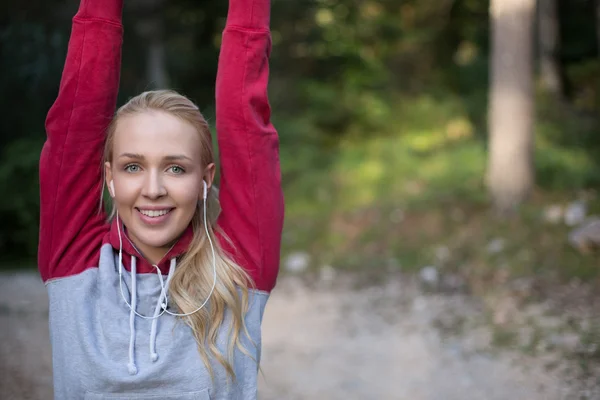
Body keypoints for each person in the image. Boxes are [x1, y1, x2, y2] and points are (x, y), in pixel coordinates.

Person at [38, 0, 284, 397]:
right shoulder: (74, 261)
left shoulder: (239, 267)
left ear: (205, 179)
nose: (153, 189)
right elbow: (76, 116)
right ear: (109, 178)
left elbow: (247, 121)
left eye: (175, 168)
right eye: (132, 167)